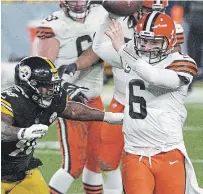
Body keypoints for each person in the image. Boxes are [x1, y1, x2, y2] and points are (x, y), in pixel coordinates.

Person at [93, 11, 203, 194]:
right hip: (135, 152)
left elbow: (154, 77)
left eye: (154, 42)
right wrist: (109, 15)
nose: (147, 46)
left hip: (169, 149)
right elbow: (98, 47)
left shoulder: (183, 63)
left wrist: (122, 50)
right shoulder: (131, 55)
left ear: (170, 41)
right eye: (143, 40)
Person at [1, 56, 123, 194]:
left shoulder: (51, 99)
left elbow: (72, 111)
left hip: (22, 172)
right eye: (46, 85)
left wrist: (107, 116)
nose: (52, 90)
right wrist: (21, 133)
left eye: (53, 85)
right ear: (29, 84)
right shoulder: (10, 101)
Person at [34, 1, 111, 193]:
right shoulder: (52, 25)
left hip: (94, 96)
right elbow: (45, 72)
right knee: (73, 165)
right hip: (68, 101)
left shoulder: (101, 12)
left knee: (95, 162)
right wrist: (66, 87)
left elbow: (98, 49)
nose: (78, 3)